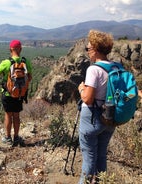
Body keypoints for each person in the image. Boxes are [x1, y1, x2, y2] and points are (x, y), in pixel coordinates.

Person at [78, 30, 116, 183]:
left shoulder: (94, 69)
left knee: (89, 158)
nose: (88, 52)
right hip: (110, 117)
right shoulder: (115, 67)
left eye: (88, 49)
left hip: (92, 118)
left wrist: (81, 89)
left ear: (95, 49)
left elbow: (87, 99)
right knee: (101, 156)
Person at [0, 40, 32, 146]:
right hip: (19, 94)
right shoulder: (25, 61)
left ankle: (7, 137)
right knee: (16, 115)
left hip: (7, 94)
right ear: (21, 49)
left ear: (10, 49)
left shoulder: (6, 62)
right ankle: (16, 137)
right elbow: (30, 77)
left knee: (8, 115)